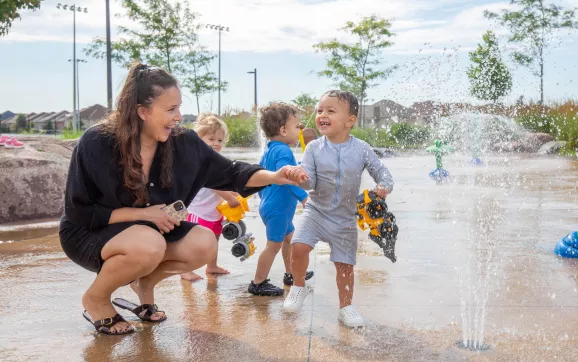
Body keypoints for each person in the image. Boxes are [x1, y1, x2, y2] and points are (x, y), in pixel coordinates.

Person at [59, 63, 306, 336]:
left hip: (148, 233)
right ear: (142, 111)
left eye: (179, 107)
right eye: (170, 109)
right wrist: (145, 214)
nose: (179, 116)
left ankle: (144, 284)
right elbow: (78, 211)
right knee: (149, 243)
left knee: (203, 244)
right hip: (90, 232)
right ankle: (96, 298)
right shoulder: (97, 142)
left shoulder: (183, 143)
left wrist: (275, 176)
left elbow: (231, 172)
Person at [282, 90, 394, 328]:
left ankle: (346, 307)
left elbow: (382, 173)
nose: (322, 115)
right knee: (299, 246)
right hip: (316, 210)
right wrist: (300, 177)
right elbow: (310, 181)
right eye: (320, 110)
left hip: (345, 217)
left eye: (330, 111)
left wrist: (383, 186)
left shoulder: (362, 148)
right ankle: (298, 287)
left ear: (350, 120)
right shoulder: (313, 148)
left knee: (345, 265)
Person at [248, 103, 314, 296]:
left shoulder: (270, 150)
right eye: (296, 127)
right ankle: (258, 282)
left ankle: (291, 273)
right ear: (283, 130)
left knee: (290, 241)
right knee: (273, 245)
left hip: (273, 206)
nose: (299, 130)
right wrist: (304, 197)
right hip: (278, 209)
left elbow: (260, 176)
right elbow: (286, 178)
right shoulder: (284, 151)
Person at [179, 114, 239, 281]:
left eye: (220, 140)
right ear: (199, 139)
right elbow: (213, 184)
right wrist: (230, 198)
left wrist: (233, 193)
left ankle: (211, 266)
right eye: (211, 139)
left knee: (214, 239)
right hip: (199, 212)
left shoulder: (217, 160)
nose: (216, 143)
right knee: (194, 243)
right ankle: (186, 269)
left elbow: (223, 182)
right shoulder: (202, 160)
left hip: (214, 211)